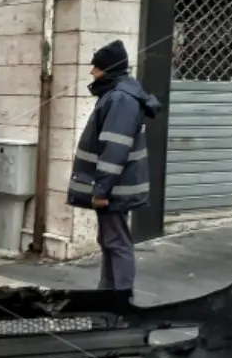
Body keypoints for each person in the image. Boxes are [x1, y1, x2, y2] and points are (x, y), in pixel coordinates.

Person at [67, 40, 162, 295]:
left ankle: (120, 298)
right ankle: (107, 294)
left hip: (115, 187)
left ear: (108, 69)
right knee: (110, 239)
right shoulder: (118, 95)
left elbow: (114, 149)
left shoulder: (120, 99)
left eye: (96, 67)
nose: (92, 72)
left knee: (117, 241)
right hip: (117, 185)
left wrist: (101, 190)